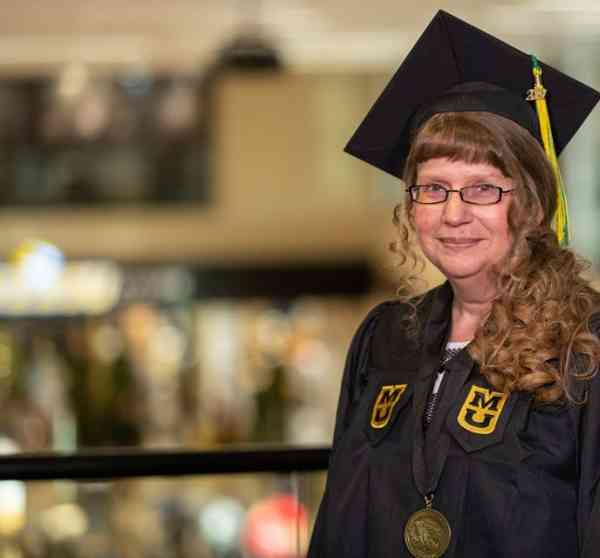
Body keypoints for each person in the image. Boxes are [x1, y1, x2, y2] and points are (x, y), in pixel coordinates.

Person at [307, 10, 600, 558]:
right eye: (433, 188)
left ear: (534, 205)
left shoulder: (585, 348)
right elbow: (338, 525)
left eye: (484, 188)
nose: (454, 214)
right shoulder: (386, 338)